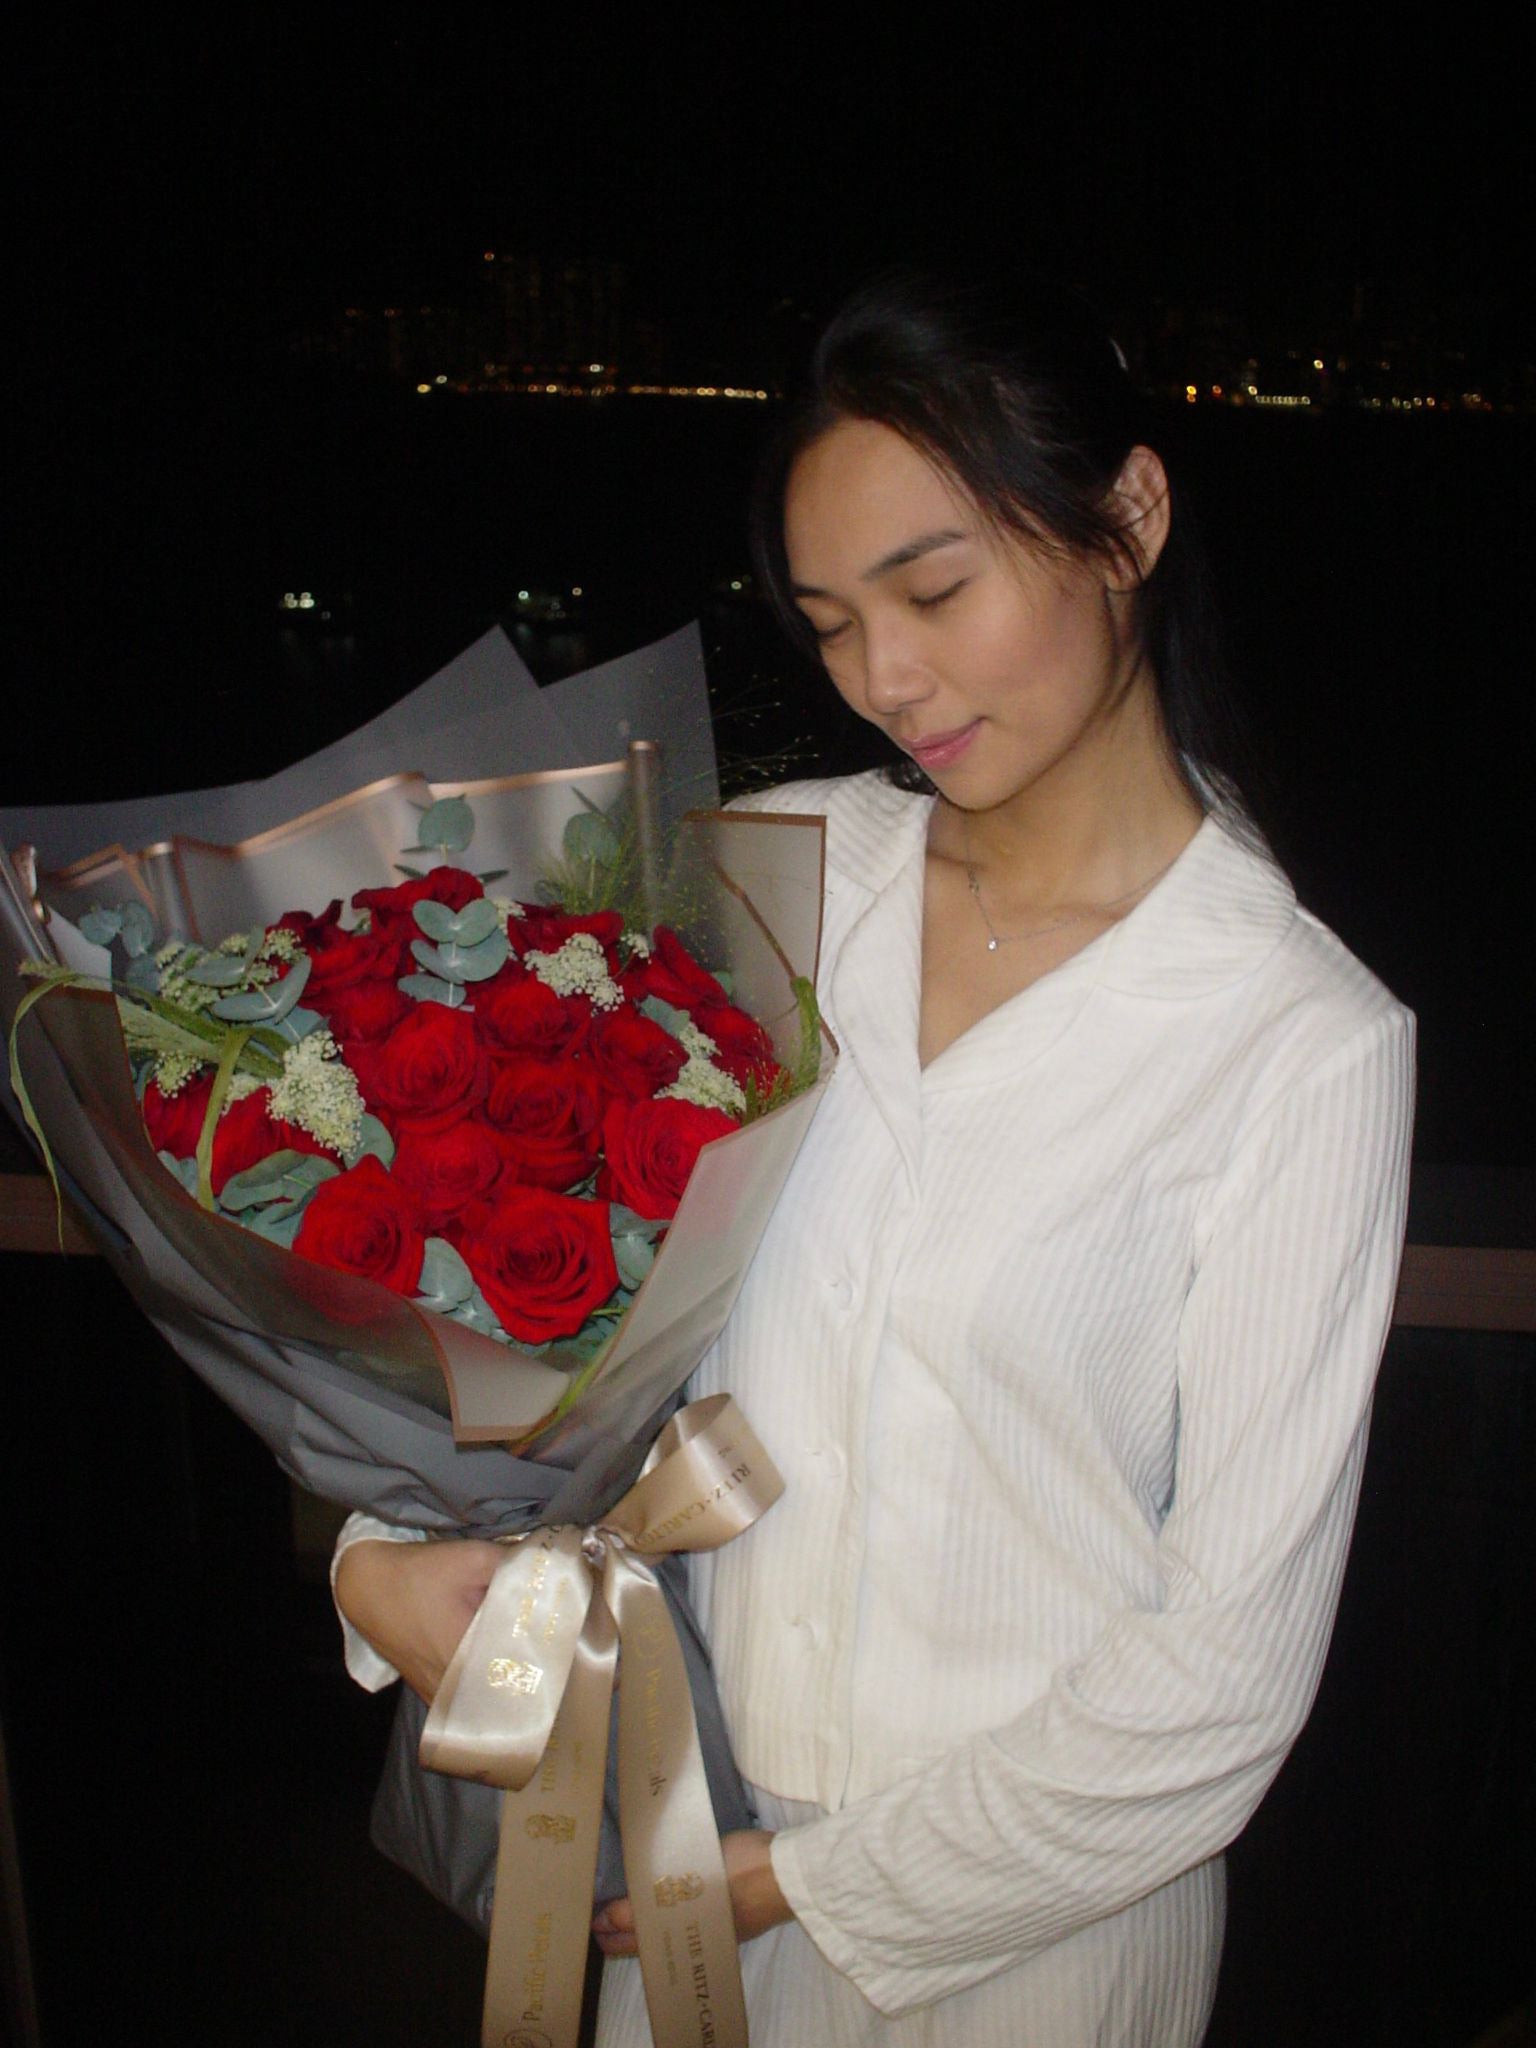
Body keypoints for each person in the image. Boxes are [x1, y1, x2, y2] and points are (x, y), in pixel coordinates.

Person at [335, 271, 1415, 2045]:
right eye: (832, 622)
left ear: (1131, 519)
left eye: (934, 590)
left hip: (1033, 1941)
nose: (882, 680)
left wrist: (806, 1885)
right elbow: (504, 1241)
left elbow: (1225, 1677)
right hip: (668, 1804)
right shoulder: (777, 876)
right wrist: (376, 1551)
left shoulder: (1298, 1040)